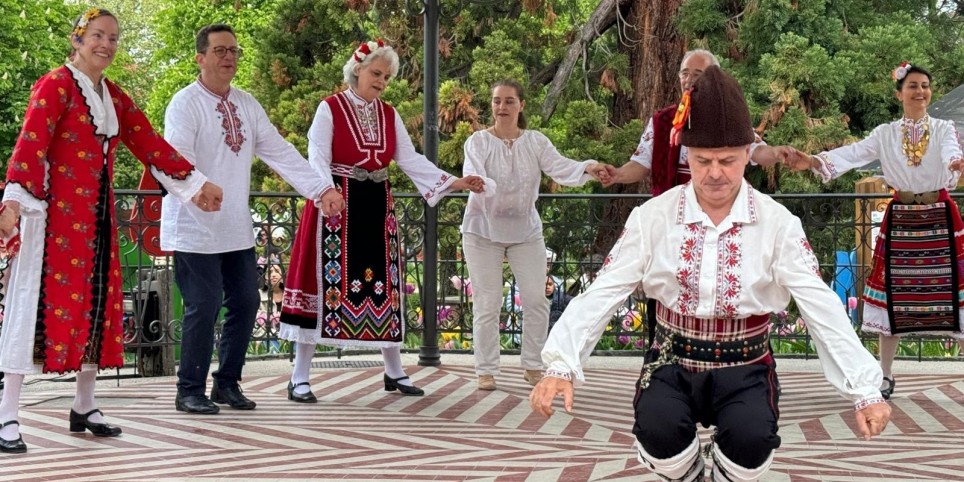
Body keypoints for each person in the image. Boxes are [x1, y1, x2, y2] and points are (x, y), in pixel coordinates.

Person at [530, 66, 891, 481]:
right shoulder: (653, 218)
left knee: (752, 440)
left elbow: (819, 304)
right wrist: (560, 364)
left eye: (728, 160)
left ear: (747, 155)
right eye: (703, 160)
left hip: (746, 364)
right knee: (658, 430)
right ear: (687, 155)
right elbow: (604, 290)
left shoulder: (778, 223)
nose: (715, 173)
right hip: (672, 359)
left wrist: (864, 390)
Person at [0, 7, 220, 453]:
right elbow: (31, 144)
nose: (107, 44)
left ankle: (84, 405)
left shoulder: (113, 96)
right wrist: (13, 201)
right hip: (52, 220)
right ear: (77, 40)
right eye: (98, 35)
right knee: (29, 311)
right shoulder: (55, 85)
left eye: (114, 38)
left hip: (97, 223)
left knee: (98, 309)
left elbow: (149, 143)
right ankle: (6, 415)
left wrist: (195, 183)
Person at [279, 39, 484, 402]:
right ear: (357, 68)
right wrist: (325, 192)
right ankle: (299, 377)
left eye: (386, 77)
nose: (381, 82)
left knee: (383, 286)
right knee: (320, 288)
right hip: (336, 204)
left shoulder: (389, 114)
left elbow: (410, 159)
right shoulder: (330, 108)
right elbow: (316, 155)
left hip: (376, 206)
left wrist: (454, 181)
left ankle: (393, 370)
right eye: (376, 73)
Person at [160, 23, 344, 415]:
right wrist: (196, 190)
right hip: (194, 226)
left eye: (234, 51)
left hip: (235, 228)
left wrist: (321, 189)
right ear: (201, 57)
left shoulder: (246, 104)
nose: (229, 57)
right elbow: (172, 159)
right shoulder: (184, 103)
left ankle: (227, 383)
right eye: (220, 50)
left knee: (245, 302)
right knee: (204, 305)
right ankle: (189, 389)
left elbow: (280, 152)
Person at [600, 49, 803, 348]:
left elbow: (756, 150)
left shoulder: (730, 116)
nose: (690, 80)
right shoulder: (663, 120)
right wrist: (616, 174)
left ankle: (740, 359)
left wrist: (776, 153)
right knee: (666, 302)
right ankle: (662, 364)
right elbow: (641, 163)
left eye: (699, 74)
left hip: (724, 218)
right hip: (674, 223)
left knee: (729, 295)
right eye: (685, 73)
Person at [787, 62, 964, 400]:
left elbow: (951, 153)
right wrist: (811, 161)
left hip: (940, 216)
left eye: (925, 85)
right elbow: (852, 154)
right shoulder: (885, 134)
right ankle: (884, 375)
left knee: (955, 294)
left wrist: (955, 164)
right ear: (900, 93)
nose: (921, 91)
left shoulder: (943, 128)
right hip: (902, 218)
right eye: (913, 85)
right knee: (893, 297)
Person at [461, 79, 608, 392]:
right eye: (497, 101)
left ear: (521, 105)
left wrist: (590, 167)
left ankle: (532, 365)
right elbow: (475, 174)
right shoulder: (478, 142)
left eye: (509, 101)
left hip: (526, 232)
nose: (502, 107)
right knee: (487, 304)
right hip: (482, 231)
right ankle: (485, 370)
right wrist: (477, 183)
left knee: (536, 300)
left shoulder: (536, 142)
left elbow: (560, 167)